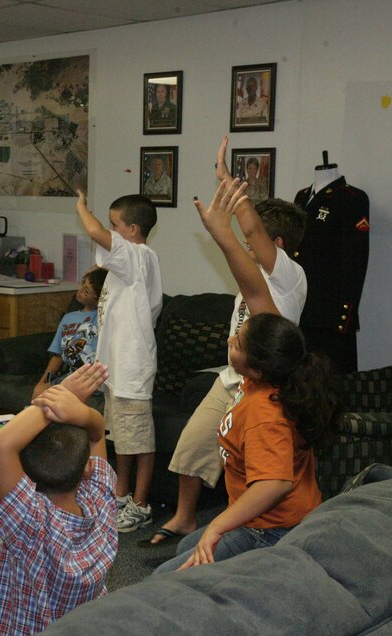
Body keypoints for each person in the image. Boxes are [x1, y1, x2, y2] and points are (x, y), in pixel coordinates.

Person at [154, 179, 339, 573]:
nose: (229, 339)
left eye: (236, 342)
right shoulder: (268, 379)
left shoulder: (264, 411)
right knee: (183, 551)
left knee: (165, 578)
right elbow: (255, 295)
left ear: (253, 367)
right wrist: (221, 222)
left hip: (272, 528)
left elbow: (275, 484)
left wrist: (217, 526)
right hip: (268, 517)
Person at [148, 137, 307, 547]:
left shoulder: (288, 276)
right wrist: (227, 181)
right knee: (191, 446)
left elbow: (250, 233)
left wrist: (226, 230)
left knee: (263, 467)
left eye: (255, 239)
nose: (248, 241)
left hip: (263, 380)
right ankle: (185, 519)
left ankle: (247, 533)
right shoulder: (255, 271)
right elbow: (250, 230)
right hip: (234, 378)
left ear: (280, 246)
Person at [0, 363, 117, 636]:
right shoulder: (101, 502)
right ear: (87, 468)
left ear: (24, 471)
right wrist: (86, 415)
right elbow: (97, 434)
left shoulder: (31, 520)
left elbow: (1, 444)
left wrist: (61, 392)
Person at [75, 191, 163, 533]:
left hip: (132, 367)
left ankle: (141, 505)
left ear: (132, 229)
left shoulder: (138, 255)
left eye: (116, 225)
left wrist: (82, 206)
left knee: (139, 439)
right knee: (122, 437)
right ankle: (122, 494)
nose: (110, 231)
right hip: (116, 367)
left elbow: (97, 233)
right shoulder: (126, 260)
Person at [292, 157, 370, 374]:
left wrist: (343, 315)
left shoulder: (352, 198)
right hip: (300, 310)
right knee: (300, 385)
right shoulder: (302, 197)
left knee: (330, 386)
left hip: (329, 315)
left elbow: (355, 260)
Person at [31, 267, 107, 400]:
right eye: (82, 285)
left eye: (86, 291)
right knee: (38, 394)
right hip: (71, 376)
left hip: (92, 379)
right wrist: (42, 382)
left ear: (98, 299)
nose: (80, 291)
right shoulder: (68, 318)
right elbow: (57, 355)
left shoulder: (102, 317)